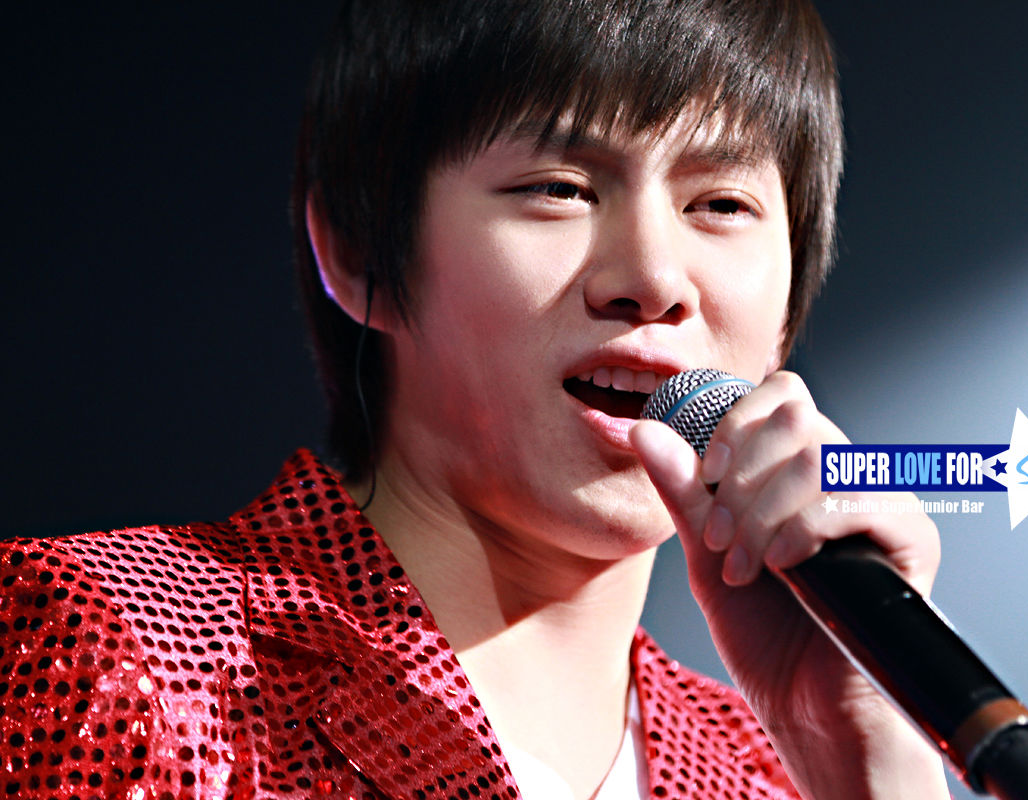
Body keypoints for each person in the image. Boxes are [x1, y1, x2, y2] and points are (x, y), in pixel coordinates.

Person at [0, 1, 951, 797]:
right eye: (559, 188)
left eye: (722, 205)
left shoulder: (772, 775)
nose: (655, 279)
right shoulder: (114, 642)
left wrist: (876, 768)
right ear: (359, 251)